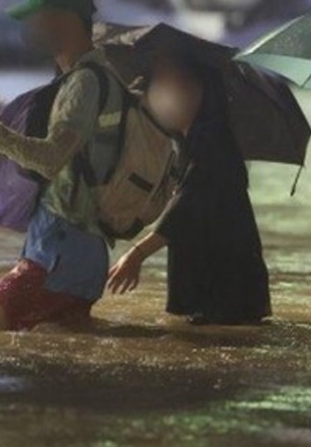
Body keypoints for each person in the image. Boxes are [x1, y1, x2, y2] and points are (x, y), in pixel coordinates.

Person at [0, 0, 121, 331]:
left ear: (65, 21)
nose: (31, 28)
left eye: (38, 18)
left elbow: (52, 158)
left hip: (58, 258)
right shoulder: (96, 76)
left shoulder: (83, 84)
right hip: (76, 255)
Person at [106, 53, 271, 325]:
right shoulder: (192, 143)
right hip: (221, 289)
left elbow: (184, 209)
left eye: (175, 86)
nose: (164, 96)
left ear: (200, 92)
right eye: (160, 87)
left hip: (225, 292)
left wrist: (136, 254)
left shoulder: (213, 145)